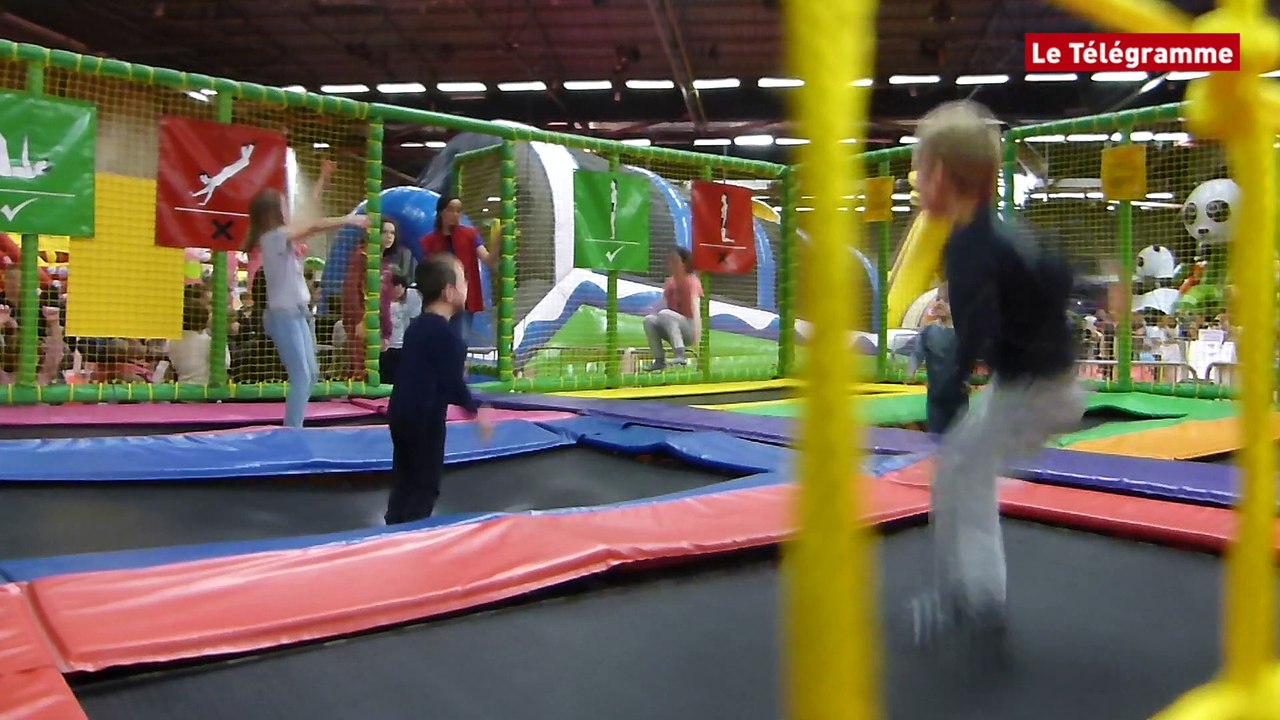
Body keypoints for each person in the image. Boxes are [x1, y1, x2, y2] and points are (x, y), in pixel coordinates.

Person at [909, 100, 1085, 647]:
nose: (916, 182)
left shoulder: (967, 247)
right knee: (965, 470)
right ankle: (978, 594)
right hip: (1049, 383)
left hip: (1036, 390)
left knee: (960, 472)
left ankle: (975, 599)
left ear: (940, 175)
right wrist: (1097, 288)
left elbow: (979, 322)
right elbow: (1052, 271)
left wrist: (951, 384)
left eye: (918, 169)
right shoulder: (999, 232)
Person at [244, 188, 369, 428]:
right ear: (273, 212)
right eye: (282, 205)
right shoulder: (272, 238)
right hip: (284, 316)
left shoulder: (282, 238)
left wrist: (322, 181)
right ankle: (293, 430)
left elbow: (309, 217)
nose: (287, 209)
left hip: (299, 314)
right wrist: (350, 219)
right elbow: (312, 226)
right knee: (301, 375)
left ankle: (295, 424)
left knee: (311, 373)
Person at [384, 254, 493, 525]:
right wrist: (476, 411)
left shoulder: (417, 327)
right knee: (425, 484)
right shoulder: (446, 335)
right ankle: (411, 532)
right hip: (426, 419)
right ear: (448, 292)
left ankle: (392, 527)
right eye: (464, 280)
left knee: (404, 479)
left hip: (400, 414)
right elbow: (452, 384)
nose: (468, 285)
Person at [418, 195, 496, 351]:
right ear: (441, 212)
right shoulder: (429, 241)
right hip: (438, 299)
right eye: (451, 210)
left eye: (458, 211)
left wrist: (498, 243)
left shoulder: (470, 235)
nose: (455, 214)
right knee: (435, 341)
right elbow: (427, 272)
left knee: (459, 342)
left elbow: (488, 259)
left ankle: (456, 372)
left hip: (463, 299)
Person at [905, 282, 967, 435]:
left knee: (959, 430)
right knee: (936, 431)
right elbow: (917, 353)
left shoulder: (964, 334)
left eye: (945, 301)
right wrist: (910, 370)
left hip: (958, 392)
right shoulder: (929, 331)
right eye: (938, 298)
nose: (939, 303)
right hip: (936, 394)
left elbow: (973, 355)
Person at [643, 247, 703, 371]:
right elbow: (662, 304)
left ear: (684, 263)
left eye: (675, 261)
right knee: (649, 320)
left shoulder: (692, 281)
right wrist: (651, 310)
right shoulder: (670, 282)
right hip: (670, 326)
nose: (671, 264)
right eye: (670, 261)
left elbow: (695, 308)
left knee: (665, 314)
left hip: (688, 328)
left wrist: (698, 336)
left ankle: (680, 354)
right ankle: (659, 360)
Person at [379, 273, 421, 384]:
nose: (399, 289)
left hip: (400, 346)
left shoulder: (404, 306)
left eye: (402, 286)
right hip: (386, 345)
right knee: (385, 373)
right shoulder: (383, 305)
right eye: (395, 286)